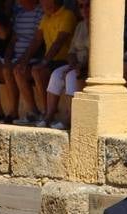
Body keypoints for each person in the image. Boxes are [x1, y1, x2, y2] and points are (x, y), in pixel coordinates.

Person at [40, 0, 89, 129]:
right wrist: (73, 64)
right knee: (57, 74)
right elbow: (72, 51)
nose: (84, 9)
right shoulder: (80, 26)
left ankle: (70, 118)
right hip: (76, 63)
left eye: (88, 5)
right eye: (81, 6)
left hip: (89, 66)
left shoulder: (100, 27)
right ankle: (49, 116)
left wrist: (80, 66)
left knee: (71, 76)